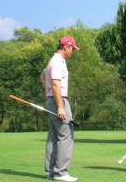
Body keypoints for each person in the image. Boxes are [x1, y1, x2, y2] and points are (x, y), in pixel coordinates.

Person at [40, 36, 79, 181]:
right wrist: (60, 107)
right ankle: (61, 173)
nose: (72, 52)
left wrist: (48, 93)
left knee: (53, 137)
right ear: (66, 47)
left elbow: (42, 76)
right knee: (65, 135)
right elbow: (56, 84)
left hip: (52, 100)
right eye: (72, 49)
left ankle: (51, 172)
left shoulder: (53, 60)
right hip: (59, 101)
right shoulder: (57, 62)